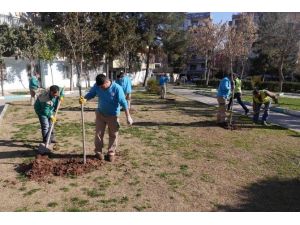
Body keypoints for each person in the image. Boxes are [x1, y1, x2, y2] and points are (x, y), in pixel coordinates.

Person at [79, 74, 133, 162]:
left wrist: (128, 116)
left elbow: (124, 103)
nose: (101, 88)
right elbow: (91, 94)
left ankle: (111, 152)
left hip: (113, 116)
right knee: (98, 134)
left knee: (113, 134)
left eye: (102, 86)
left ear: (107, 82)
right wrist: (85, 99)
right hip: (100, 114)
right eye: (99, 86)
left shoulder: (117, 88)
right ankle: (98, 152)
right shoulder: (98, 86)